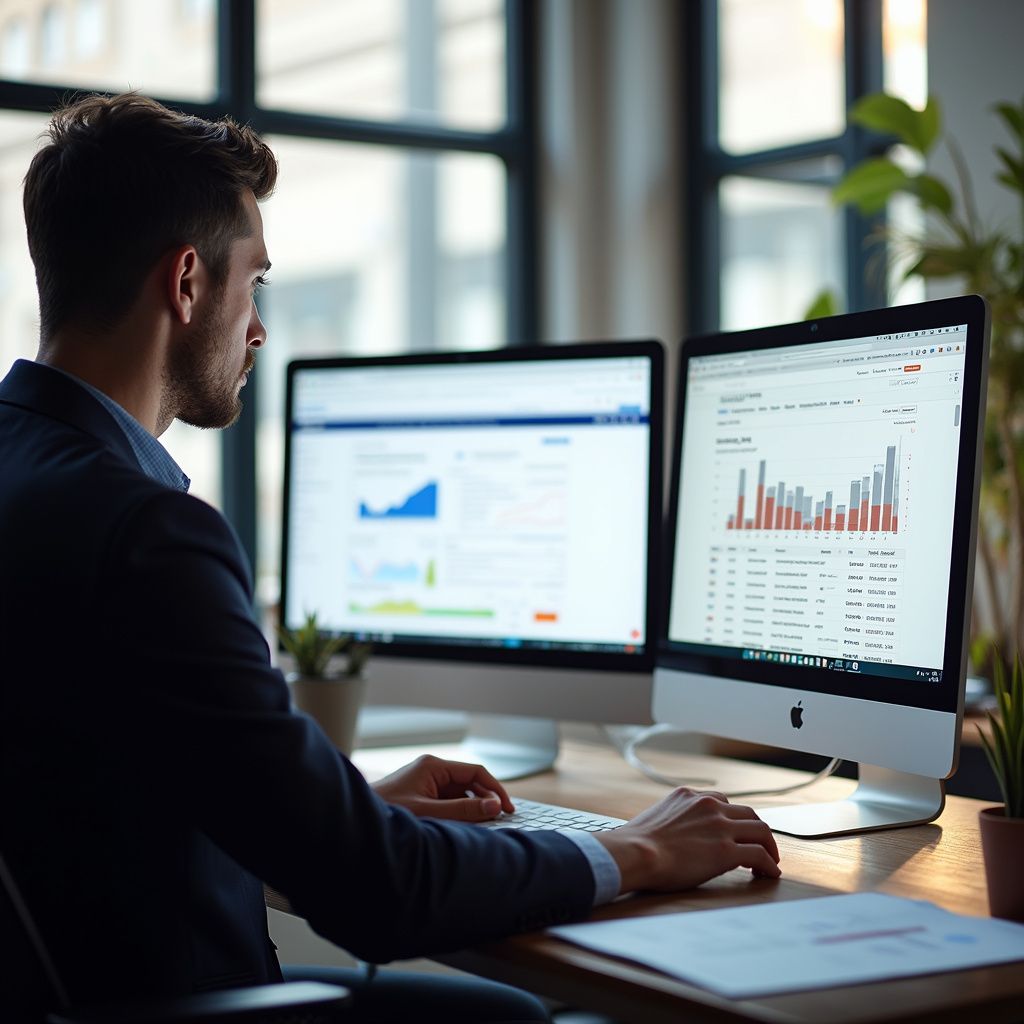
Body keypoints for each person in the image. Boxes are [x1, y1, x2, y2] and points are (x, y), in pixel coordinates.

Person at [0, 92, 780, 1023]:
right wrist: (638, 850)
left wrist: (347, 803)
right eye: (256, 284)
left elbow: (94, 797)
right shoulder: (148, 532)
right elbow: (378, 897)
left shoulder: (26, 473)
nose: (257, 329)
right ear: (187, 283)